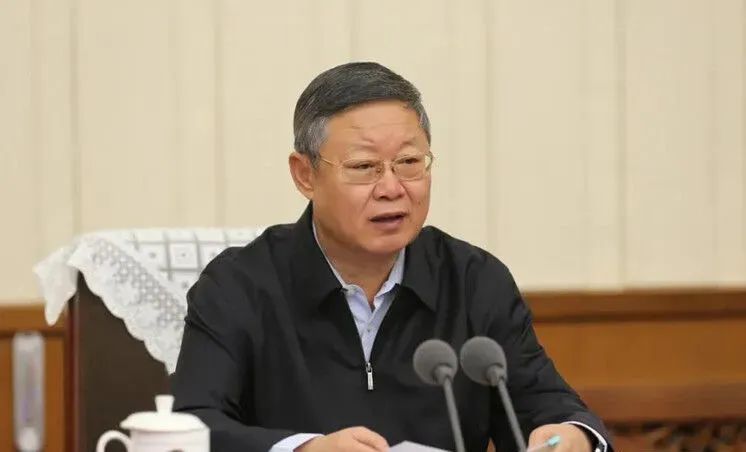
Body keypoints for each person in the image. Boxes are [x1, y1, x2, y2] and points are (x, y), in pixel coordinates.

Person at [171, 62, 613, 452]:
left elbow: (549, 407)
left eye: (409, 162)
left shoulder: (474, 280)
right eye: (365, 167)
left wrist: (571, 436)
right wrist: (304, 449)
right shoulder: (240, 285)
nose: (391, 187)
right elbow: (193, 427)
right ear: (305, 175)